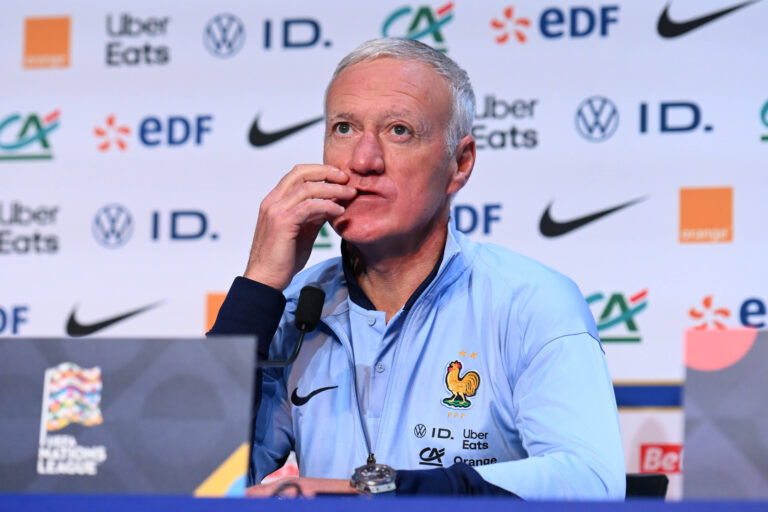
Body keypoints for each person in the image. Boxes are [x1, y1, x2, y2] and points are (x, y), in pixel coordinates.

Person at [209, 38, 625, 499]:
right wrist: (259, 286)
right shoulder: (296, 307)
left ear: (460, 164)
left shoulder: (531, 301)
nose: (363, 160)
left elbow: (591, 481)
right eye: (344, 128)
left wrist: (385, 493)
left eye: (399, 130)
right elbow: (191, 477)